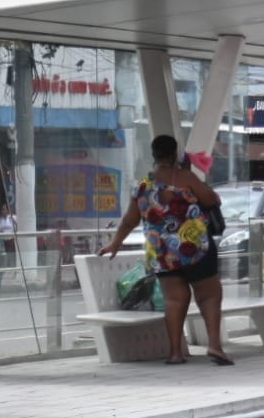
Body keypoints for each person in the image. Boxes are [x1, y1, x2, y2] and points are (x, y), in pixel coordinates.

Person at [98, 134, 232, 365]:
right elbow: (211, 200)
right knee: (209, 295)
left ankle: (175, 353)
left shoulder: (142, 187)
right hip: (194, 248)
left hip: (162, 253)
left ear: (154, 155)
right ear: (174, 153)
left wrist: (115, 243)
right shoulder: (185, 177)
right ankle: (214, 346)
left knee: (174, 300)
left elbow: (129, 220)